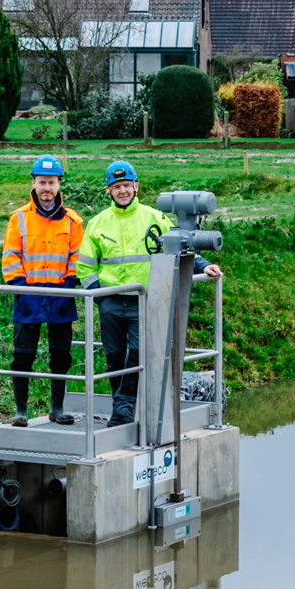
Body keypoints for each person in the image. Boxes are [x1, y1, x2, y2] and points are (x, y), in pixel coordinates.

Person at [75, 160, 224, 427]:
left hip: (143, 300)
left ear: (136, 186)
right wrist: (100, 296)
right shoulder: (98, 223)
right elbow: (85, 265)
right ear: (109, 191)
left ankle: (123, 408)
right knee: (114, 356)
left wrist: (203, 265)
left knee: (138, 355)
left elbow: (181, 245)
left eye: (126, 185)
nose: (122, 191)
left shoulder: (154, 217)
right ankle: (122, 405)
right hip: (110, 302)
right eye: (116, 187)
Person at [1, 155, 84, 428]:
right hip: (28, 298)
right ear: (33, 183)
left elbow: (77, 257)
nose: (46, 188)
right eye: (42, 182)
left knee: (61, 356)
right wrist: (21, 288)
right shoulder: (19, 218)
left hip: (62, 297)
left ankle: (57, 408)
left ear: (59, 184)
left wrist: (69, 285)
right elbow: (10, 256)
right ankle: (20, 411)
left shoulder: (72, 221)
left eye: (51, 182)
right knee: (22, 356)